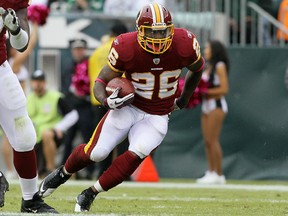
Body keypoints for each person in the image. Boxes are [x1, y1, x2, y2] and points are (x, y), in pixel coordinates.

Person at [38, 3, 204, 212]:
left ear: (170, 29)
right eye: (152, 31)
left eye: (162, 31)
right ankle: (62, 173)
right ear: (139, 30)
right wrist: (106, 101)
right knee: (97, 152)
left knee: (138, 152)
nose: (158, 37)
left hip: (158, 114)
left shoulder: (184, 43)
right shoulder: (126, 46)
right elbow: (100, 80)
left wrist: (183, 99)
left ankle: (91, 192)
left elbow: (197, 69)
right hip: (129, 107)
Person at [0, 3, 57, 213]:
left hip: (1, 70)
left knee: (24, 135)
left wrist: (14, 29)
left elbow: (21, 44)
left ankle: (30, 200)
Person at [88, 22, 129, 178]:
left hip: (97, 100)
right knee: (122, 139)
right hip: (118, 97)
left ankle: (102, 171)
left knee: (102, 139)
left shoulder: (96, 51)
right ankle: (121, 173)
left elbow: (94, 77)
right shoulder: (122, 49)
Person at [2, 22, 39, 180]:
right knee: (11, 138)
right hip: (9, 101)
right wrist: (36, 27)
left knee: (13, 138)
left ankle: (10, 170)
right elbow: (28, 48)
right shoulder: (14, 63)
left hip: (12, 101)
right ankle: (10, 170)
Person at [27, 70, 79, 177]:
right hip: (35, 137)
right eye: (35, 81)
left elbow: (73, 115)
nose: (37, 84)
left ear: (45, 82)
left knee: (46, 134)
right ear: (31, 82)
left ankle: (50, 169)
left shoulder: (56, 97)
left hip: (53, 134)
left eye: (40, 81)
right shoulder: (28, 99)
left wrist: (58, 127)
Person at [60, 38, 95, 179]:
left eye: (81, 49)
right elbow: (64, 89)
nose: (78, 51)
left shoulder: (89, 65)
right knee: (68, 140)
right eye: (76, 49)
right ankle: (64, 172)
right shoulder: (68, 67)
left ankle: (89, 171)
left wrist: (83, 96)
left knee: (88, 140)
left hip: (85, 108)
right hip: (71, 109)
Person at [196, 40, 229, 185]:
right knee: (207, 141)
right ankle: (211, 171)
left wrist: (205, 92)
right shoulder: (208, 66)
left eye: (208, 48)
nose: (205, 50)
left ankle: (219, 174)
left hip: (217, 105)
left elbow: (224, 89)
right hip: (206, 106)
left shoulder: (220, 66)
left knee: (213, 140)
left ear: (215, 50)